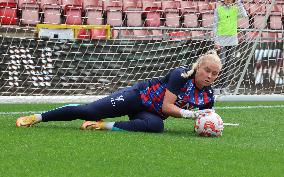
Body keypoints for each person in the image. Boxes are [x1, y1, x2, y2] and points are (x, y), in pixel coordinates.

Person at [16, 50, 222, 133]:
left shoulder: (208, 95)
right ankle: (38, 117)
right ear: (198, 67)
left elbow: (205, 117)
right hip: (137, 97)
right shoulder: (181, 74)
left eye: (214, 74)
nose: (210, 76)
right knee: (89, 111)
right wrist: (190, 113)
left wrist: (209, 125)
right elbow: (168, 107)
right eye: (207, 70)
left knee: (157, 127)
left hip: (151, 112)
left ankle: (104, 126)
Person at [213, 0, 248, 92]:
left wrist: (239, 3)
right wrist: (216, 41)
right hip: (221, 40)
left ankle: (224, 87)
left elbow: (244, 14)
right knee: (221, 64)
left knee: (228, 65)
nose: (229, 1)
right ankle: (216, 86)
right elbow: (215, 26)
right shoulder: (218, 9)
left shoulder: (235, 9)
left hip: (232, 40)